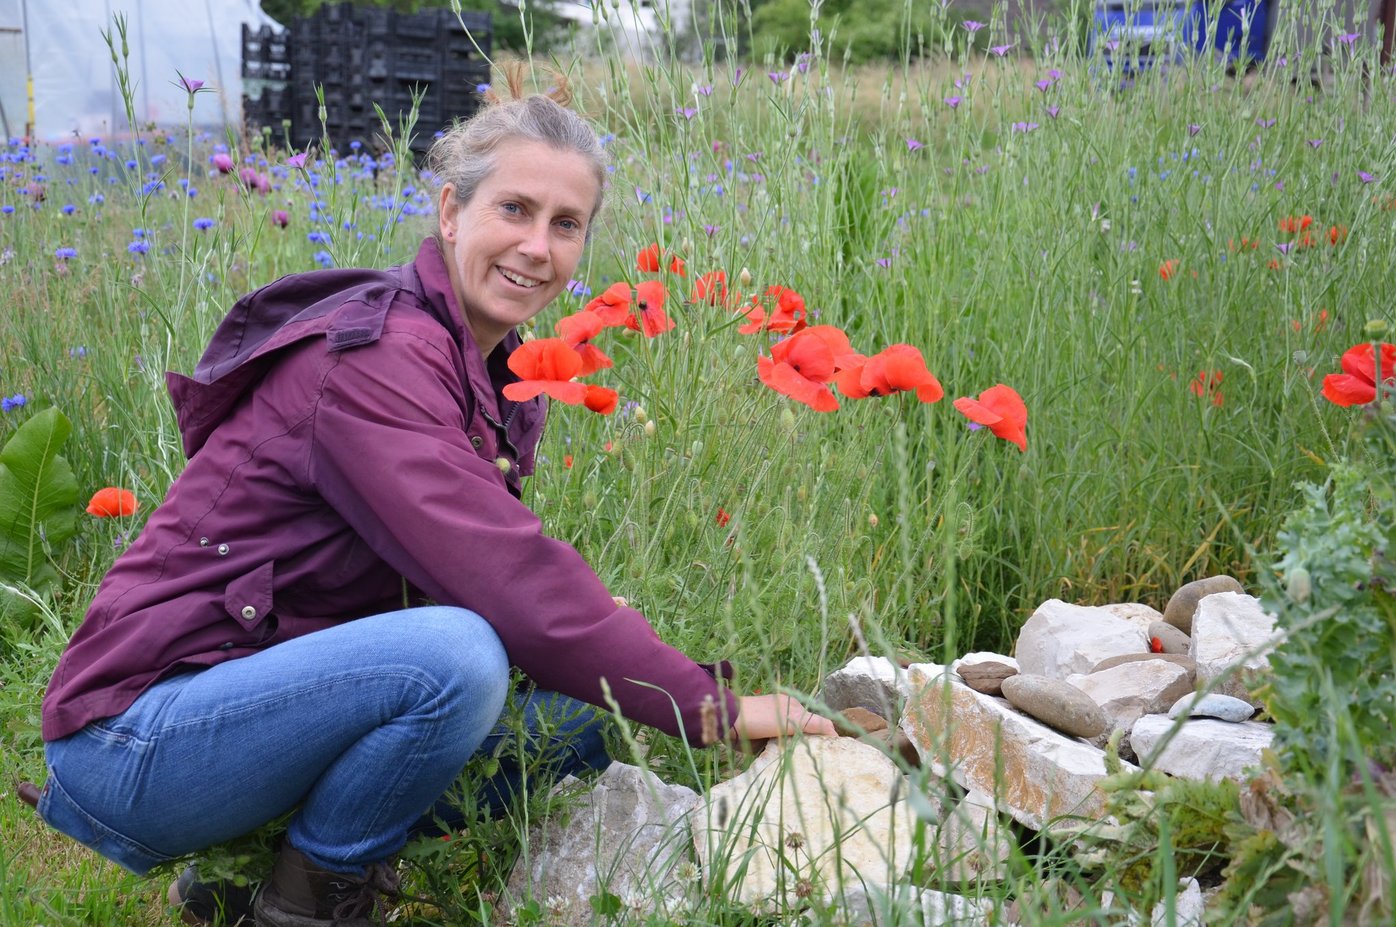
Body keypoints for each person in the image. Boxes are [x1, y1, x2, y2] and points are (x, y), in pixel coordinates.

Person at [24, 67, 835, 927]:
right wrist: (714, 707)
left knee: (585, 715)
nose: (537, 246)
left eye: (566, 225)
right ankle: (307, 904)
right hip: (139, 736)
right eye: (514, 210)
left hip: (255, 702)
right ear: (451, 213)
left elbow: (464, 580)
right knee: (454, 655)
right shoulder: (375, 359)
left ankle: (240, 881)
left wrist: (631, 671)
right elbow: (501, 573)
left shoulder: (485, 368)